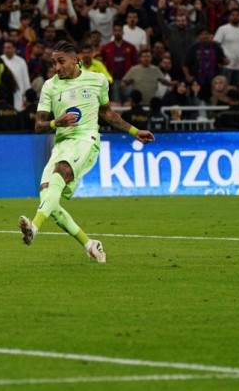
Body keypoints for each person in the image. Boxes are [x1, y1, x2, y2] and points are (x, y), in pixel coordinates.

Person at [18, 41, 154, 262]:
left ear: (75, 60)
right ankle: (91, 245)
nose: (57, 67)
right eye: (54, 63)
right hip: (62, 144)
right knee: (48, 199)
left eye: (61, 61)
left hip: (86, 139)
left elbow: (107, 113)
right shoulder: (50, 86)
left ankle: (34, 227)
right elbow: (39, 125)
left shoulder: (97, 80)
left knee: (60, 172)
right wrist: (56, 122)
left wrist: (134, 131)